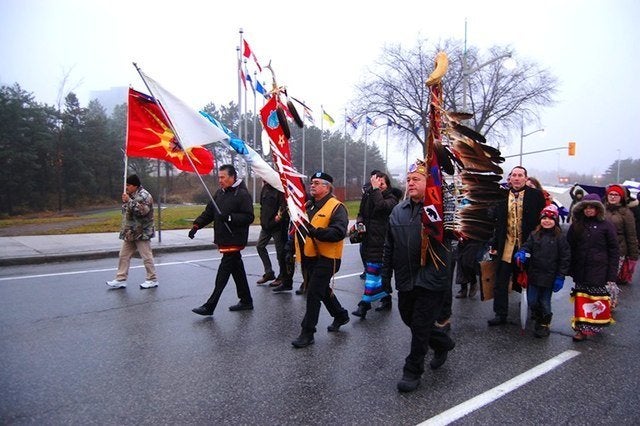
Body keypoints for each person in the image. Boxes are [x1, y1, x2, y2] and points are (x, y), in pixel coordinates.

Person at [381, 160, 456, 393]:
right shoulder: (398, 210)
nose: (410, 183)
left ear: (429, 183)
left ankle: (412, 370)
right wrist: (386, 275)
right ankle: (443, 342)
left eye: (417, 179)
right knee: (408, 319)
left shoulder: (443, 210)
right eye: (409, 179)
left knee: (421, 325)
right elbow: (389, 246)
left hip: (432, 278)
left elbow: (454, 238)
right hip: (406, 277)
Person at [291, 171, 350, 348]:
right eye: (312, 182)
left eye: (317, 183)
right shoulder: (309, 206)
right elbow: (301, 231)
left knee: (313, 293)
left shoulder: (337, 207)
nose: (312, 185)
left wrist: (317, 232)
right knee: (321, 290)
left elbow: (339, 232)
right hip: (310, 257)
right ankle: (340, 315)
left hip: (328, 258)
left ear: (327, 187)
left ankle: (307, 332)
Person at [190, 164, 255, 316]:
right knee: (237, 270)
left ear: (232, 177)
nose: (220, 180)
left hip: (234, 238)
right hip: (223, 238)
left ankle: (210, 306)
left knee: (223, 273)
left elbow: (249, 217)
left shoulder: (242, 194)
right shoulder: (220, 193)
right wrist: (196, 225)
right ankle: (246, 300)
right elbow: (209, 212)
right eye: (219, 177)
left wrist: (230, 217)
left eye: (223, 177)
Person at [487, 166, 546, 326]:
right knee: (501, 280)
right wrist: (493, 243)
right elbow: (497, 223)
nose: (517, 178)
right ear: (510, 178)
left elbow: (542, 220)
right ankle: (500, 313)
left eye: (520, 175)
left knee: (532, 279)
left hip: (528, 245)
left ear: (526, 178)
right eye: (514, 175)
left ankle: (536, 311)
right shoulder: (502, 196)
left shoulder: (535, 196)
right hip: (506, 245)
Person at [567, 193, 618, 341]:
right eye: (586, 207)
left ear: (598, 209)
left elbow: (613, 250)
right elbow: (569, 246)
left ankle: (595, 324)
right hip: (581, 269)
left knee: (595, 300)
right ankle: (581, 329)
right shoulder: (577, 225)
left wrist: (611, 275)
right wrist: (568, 268)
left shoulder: (607, 225)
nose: (589, 210)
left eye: (592, 207)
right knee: (581, 300)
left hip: (599, 270)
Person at [513, 205, 571, 338]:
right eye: (544, 218)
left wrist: (560, 276)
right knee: (532, 300)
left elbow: (565, 258)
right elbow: (527, 247)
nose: (547, 221)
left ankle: (544, 324)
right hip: (534, 274)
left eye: (551, 219)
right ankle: (538, 316)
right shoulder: (534, 235)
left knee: (545, 301)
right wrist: (522, 252)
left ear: (555, 221)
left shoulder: (560, 238)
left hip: (550, 276)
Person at [351, 171, 400, 319]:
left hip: (382, 241)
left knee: (373, 272)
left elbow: (381, 206)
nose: (379, 186)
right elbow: (361, 213)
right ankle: (386, 298)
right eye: (376, 183)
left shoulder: (392, 199)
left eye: (382, 184)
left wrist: (375, 190)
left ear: (387, 185)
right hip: (367, 240)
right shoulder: (368, 195)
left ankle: (364, 304)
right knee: (374, 272)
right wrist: (359, 225)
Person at [106, 174, 159, 289]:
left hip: (142, 231)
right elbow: (126, 212)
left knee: (146, 256)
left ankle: (152, 279)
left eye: (128, 185)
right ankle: (121, 279)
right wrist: (126, 202)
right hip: (130, 232)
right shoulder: (130, 195)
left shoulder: (145, 195)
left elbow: (143, 211)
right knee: (123, 255)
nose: (126, 188)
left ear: (135, 185)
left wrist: (129, 201)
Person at [604, 184, 638, 287]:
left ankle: (611, 301)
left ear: (621, 197)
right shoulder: (601, 210)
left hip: (618, 251)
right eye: (611, 194)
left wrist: (633, 257)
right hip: (601, 249)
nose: (613, 197)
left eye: (616, 195)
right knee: (600, 278)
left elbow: (631, 236)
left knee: (611, 280)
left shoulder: (626, 213)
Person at [255, 182, 286, 286]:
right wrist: (262, 220)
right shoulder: (265, 189)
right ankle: (269, 272)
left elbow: (283, 207)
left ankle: (282, 276)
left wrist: (279, 218)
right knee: (260, 246)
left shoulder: (279, 189)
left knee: (280, 253)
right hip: (266, 226)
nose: (263, 179)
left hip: (277, 227)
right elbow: (262, 206)